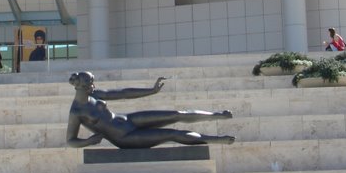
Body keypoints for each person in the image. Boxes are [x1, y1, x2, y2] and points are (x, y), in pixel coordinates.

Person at [66, 71, 236, 149]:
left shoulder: (94, 94)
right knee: (172, 134)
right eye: (90, 83)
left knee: (176, 114)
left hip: (128, 120)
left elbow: (124, 93)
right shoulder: (76, 112)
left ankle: (217, 115)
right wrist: (89, 141)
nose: (93, 86)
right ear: (79, 86)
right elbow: (70, 140)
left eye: (93, 82)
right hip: (124, 137)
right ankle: (215, 139)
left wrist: (151, 90)